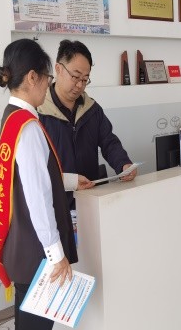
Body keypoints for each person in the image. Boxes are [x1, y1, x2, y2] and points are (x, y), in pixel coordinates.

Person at [0, 39, 94, 330]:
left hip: (23, 252)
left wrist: (71, 180)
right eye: (47, 77)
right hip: (37, 258)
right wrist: (56, 254)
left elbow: (31, 177)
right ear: (32, 77)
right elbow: (36, 197)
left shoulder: (12, 117)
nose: (49, 84)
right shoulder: (28, 127)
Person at [38, 39, 136, 209]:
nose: (79, 85)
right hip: (55, 206)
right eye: (75, 77)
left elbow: (109, 142)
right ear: (58, 69)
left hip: (90, 201)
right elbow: (35, 168)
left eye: (85, 80)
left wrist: (123, 164)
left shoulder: (92, 110)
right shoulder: (39, 112)